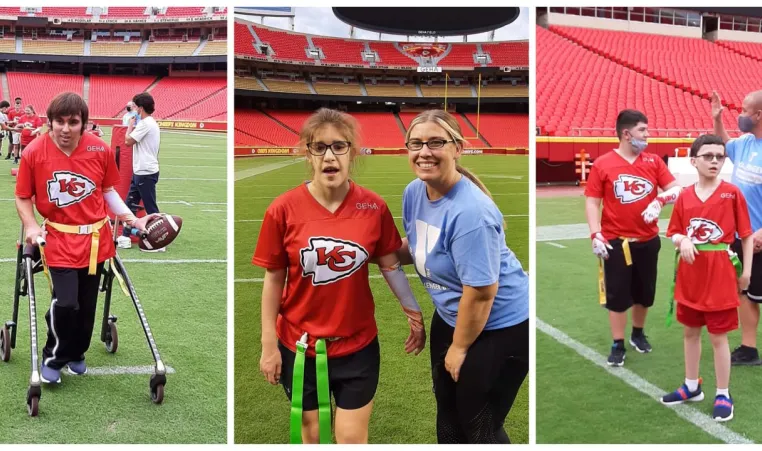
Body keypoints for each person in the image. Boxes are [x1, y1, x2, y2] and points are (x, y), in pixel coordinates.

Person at [254, 108, 426, 444]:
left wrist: (413, 312)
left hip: (357, 346)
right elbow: (274, 279)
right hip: (300, 346)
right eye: (319, 147)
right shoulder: (282, 209)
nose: (329, 156)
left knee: (350, 438)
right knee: (311, 435)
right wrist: (268, 345)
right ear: (308, 154)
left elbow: (390, 264)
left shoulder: (373, 207)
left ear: (352, 152)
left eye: (339, 146)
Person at [398, 110, 528, 444]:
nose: (424, 151)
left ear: (457, 148)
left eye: (436, 142)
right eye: (416, 143)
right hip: (453, 316)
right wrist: (358, 252)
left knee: (479, 424)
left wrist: (459, 347)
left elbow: (482, 292)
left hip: (501, 326)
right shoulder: (415, 191)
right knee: (449, 416)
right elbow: (415, 247)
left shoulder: (471, 212)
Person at [14, 92, 153, 384]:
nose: (65, 129)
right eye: (59, 122)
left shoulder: (100, 150)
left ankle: (77, 353)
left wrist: (133, 220)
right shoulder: (34, 152)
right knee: (66, 302)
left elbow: (108, 192)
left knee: (87, 306)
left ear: (84, 123)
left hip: (95, 241)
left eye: (73, 122)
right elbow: (23, 196)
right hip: (58, 239)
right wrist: (30, 225)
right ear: (49, 122)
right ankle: (54, 356)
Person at [660, 134, 752, 422]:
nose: (714, 161)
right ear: (693, 160)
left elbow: (746, 236)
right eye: (708, 156)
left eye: (719, 156)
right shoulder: (685, 195)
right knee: (690, 331)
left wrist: (746, 271)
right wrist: (681, 240)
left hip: (721, 274)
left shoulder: (731, 193)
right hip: (690, 275)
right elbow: (674, 230)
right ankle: (691, 386)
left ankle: (723, 392)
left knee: (718, 337)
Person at [585, 109, 683, 366]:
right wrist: (595, 233)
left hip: (648, 240)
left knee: (644, 292)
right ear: (626, 133)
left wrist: (660, 200)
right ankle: (618, 343)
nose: (647, 136)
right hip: (616, 241)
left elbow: (677, 190)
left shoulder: (653, 162)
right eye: (643, 131)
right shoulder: (603, 164)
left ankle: (638, 333)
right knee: (617, 295)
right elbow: (592, 202)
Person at [712, 90, 762, 365]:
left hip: (759, 238)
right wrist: (717, 120)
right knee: (746, 293)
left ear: (759, 115)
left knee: (754, 294)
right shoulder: (744, 143)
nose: (740, 115)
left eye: (745, 110)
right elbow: (723, 144)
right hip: (741, 237)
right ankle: (748, 348)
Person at [117, 93, 161, 251]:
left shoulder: (145, 124)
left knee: (151, 207)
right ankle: (126, 236)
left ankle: (159, 239)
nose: (133, 109)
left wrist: (129, 126)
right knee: (130, 204)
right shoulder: (149, 123)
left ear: (141, 108)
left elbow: (128, 141)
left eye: (135, 106)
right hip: (142, 170)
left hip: (145, 171)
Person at [7, 97, 23, 161]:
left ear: (21, 105)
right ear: (14, 104)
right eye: (16, 104)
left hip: (20, 130)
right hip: (13, 129)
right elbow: (8, 121)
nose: (17, 105)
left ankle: (17, 156)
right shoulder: (11, 112)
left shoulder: (23, 112)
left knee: (19, 144)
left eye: (19, 104)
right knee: (11, 142)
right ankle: (9, 154)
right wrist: (13, 122)